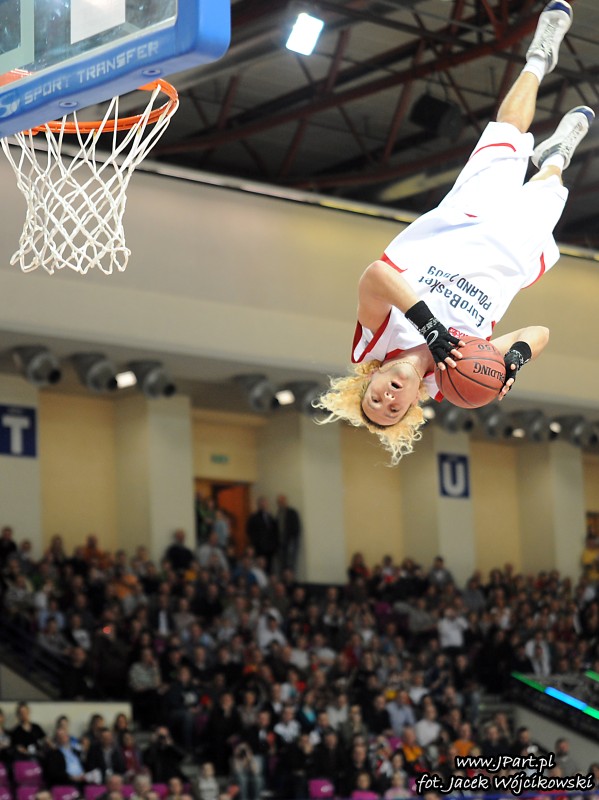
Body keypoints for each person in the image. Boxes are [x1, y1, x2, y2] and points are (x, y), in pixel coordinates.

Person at [316, 0, 594, 464]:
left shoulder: (375, 343)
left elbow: (376, 276)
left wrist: (429, 326)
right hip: (511, 257)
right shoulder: (454, 377)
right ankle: (556, 156)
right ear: (412, 405)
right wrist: (513, 360)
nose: (388, 398)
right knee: (551, 184)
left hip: (462, 223)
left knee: (507, 131)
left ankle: (540, 54)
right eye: (393, 408)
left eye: (376, 398)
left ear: (370, 379)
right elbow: (539, 332)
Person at [276, 495, 301, 573]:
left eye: (282, 501)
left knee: (290, 563)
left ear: (286, 501)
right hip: (281, 544)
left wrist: (292, 540)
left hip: (291, 542)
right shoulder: (278, 514)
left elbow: (296, 528)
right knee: (282, 564)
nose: (281, 503)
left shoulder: (292, 512)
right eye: (279, 502)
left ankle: (290, 577)